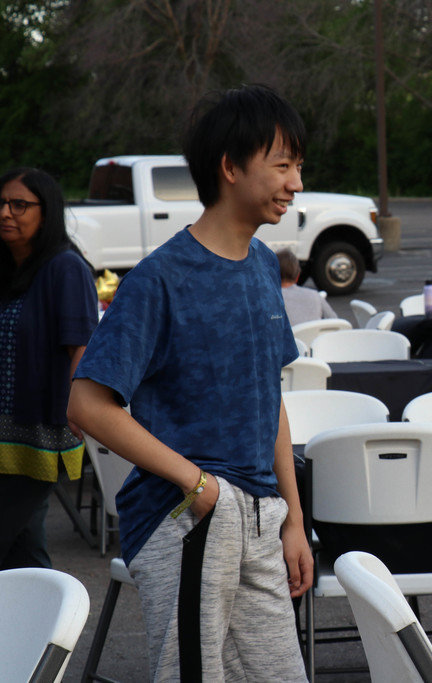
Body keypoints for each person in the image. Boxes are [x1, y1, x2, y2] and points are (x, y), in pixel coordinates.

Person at [68, 84, 312, 681]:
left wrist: (294, 520)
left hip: (261, 515)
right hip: (189, 515)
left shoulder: (261, 263)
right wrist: (198, 484)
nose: (296, 183)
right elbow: (86, 403)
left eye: (298, 166)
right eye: (282, 165)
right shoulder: (158, 279)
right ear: (230, 167)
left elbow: (269, 397)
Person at [0, 167, 98, 570]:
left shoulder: (65, 268)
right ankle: (46, 630)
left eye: (19, 204)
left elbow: (82, 347)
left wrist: (82, 409)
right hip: (2, 433)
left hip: (40, 434)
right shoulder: (7, 268)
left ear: (48, 212)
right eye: (2, 203)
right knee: (24, 552)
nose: (6, 213)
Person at [276, 247, 337, 325]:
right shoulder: (315, 295)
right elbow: (334, 321)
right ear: (298, 276)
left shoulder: (266, 300)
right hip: (313, 336)